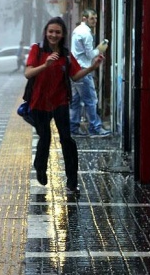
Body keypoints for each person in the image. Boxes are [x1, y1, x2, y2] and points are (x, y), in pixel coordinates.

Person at [25, 16, 105, 193]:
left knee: (67, 140)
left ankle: (72, 180)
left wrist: (93, 67)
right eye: (51, 31)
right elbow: (28, 73)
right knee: (44, 138)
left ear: (63, 35)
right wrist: (46, 65)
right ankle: (40, 167)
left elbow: (75, 76)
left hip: (60, 102)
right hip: (39, 103)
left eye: (57, 32)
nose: (53, 35)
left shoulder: (66, 55)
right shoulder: (37, 50)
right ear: (46, 32)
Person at [70, 9, 111, 138]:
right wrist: (100, 49)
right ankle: (95, 127)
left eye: (96, 18)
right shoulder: (86, 34)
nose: (95, 21)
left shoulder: (77, 30)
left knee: (76, 100)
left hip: (75, 70)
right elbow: (89, 54)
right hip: (84, 70)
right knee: (91, 100)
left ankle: (74, 127)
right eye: (92, 18)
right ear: (84, 18)